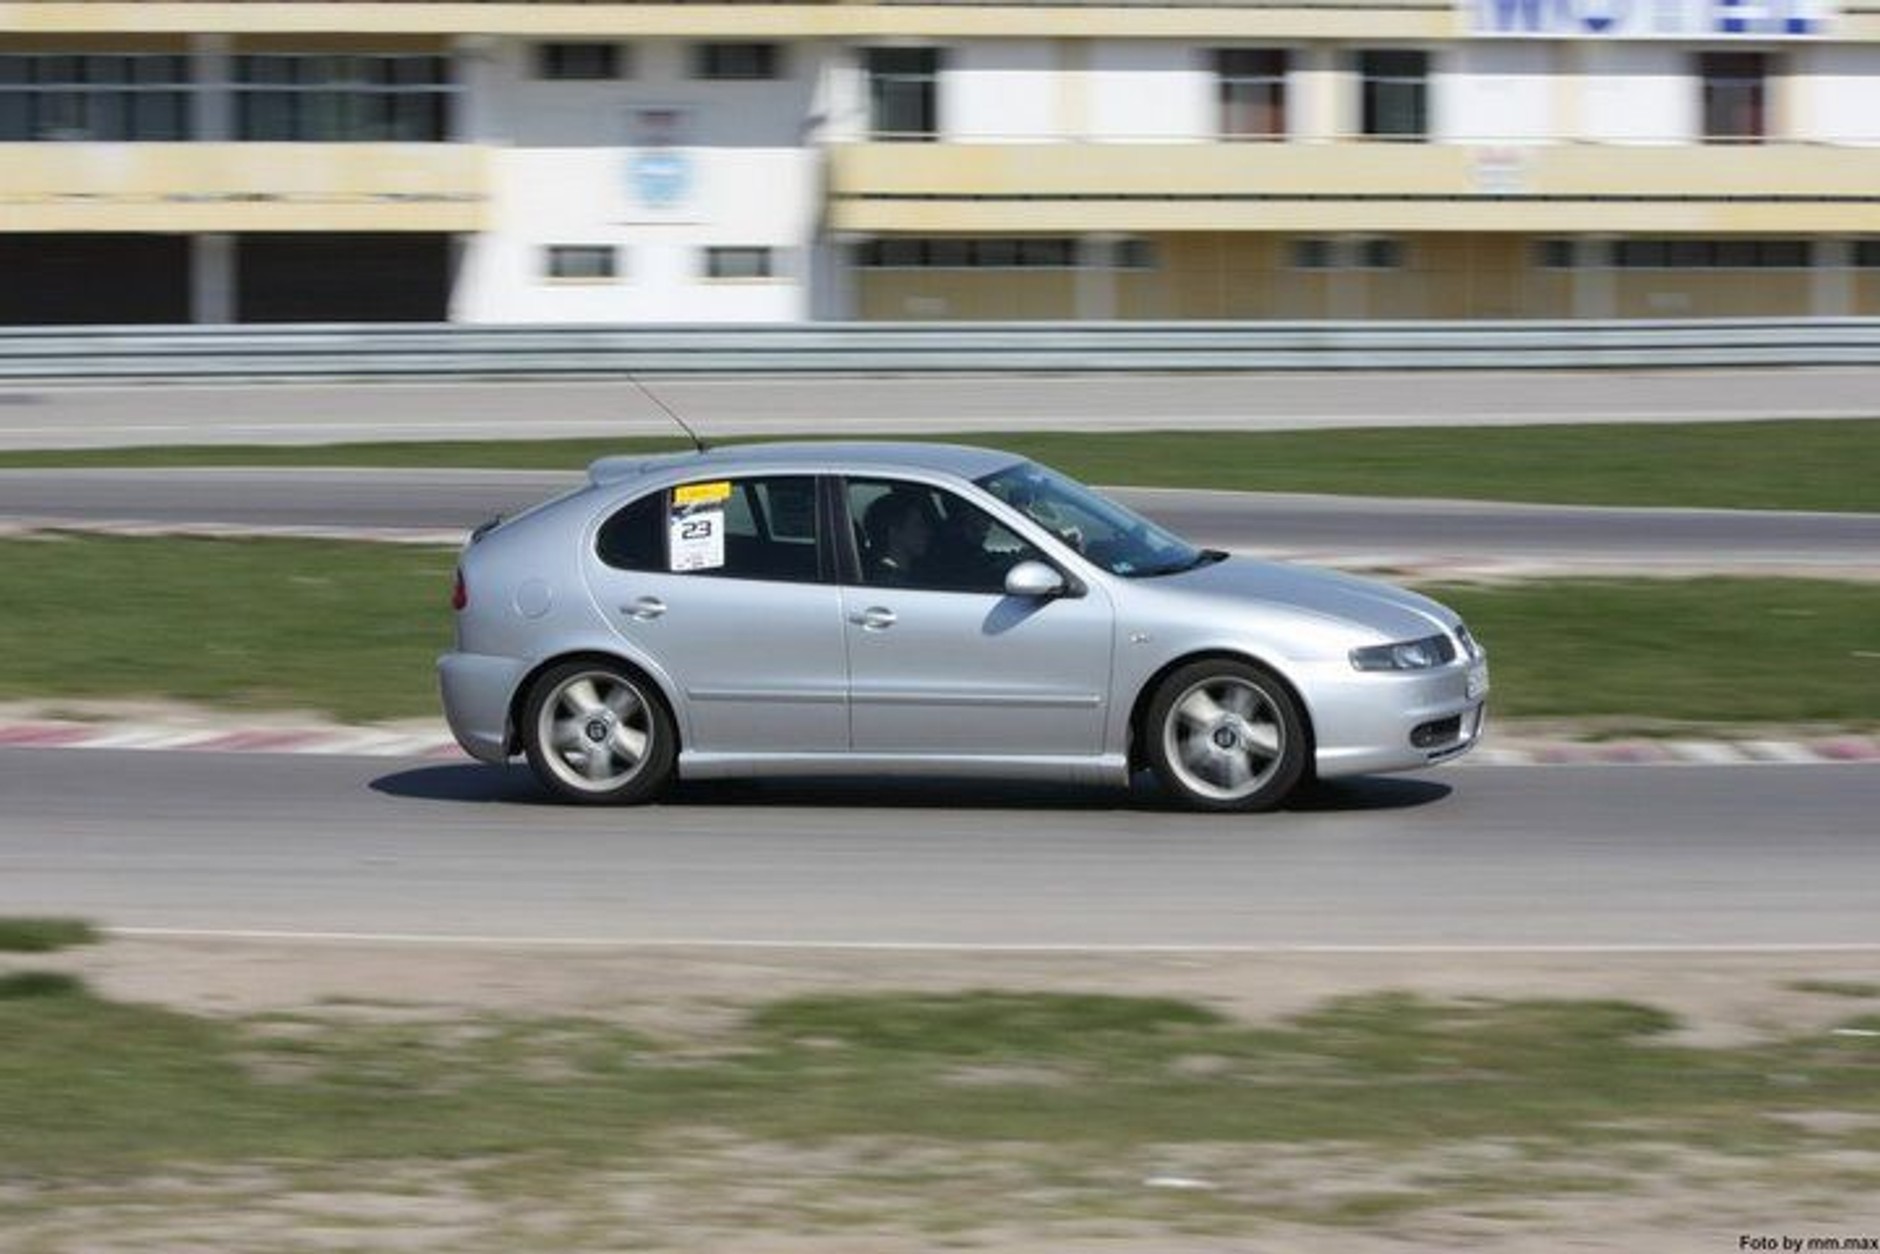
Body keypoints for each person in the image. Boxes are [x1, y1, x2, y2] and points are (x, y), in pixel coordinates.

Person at [862, 490, 935, 586]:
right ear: (894, 532)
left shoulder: (890, 575)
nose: (926, 532)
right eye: (918, 525)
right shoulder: (890, 583)